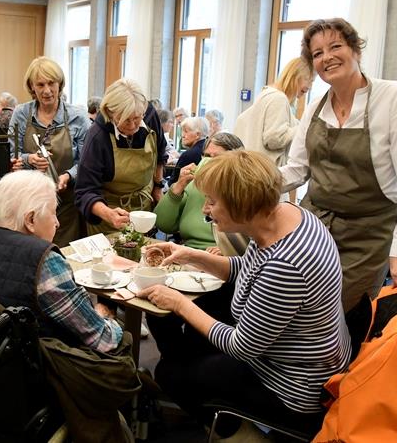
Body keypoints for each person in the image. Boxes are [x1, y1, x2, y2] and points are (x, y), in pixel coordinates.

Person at [140, 150, 351, 438]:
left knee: (171, 372)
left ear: (242, 204)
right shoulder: (289, 217)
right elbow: (249, 268)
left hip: (293, 387)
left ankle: (237, 431)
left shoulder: (285, 265)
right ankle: (194, 381)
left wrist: (178, 304)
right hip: (298, 357)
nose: (206, 210)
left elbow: (242, 347)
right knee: (185, 341)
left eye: (213, 202)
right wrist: (191, 256)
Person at [281, 18, 397, 310]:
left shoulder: (395, 98)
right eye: (318, 53)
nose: (327, 57)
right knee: (297, 308)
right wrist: (246, 184)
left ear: (356, 50)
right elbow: (297, 169)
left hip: (368, 234)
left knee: (343, 313)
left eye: (335, 46)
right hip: (314, 229)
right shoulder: (315, 108)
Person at [0, 170, 123, 351]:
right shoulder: (45, 263)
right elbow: (104, 339)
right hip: (41, 368)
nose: (57, 223)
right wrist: (105, 313)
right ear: (30, 219)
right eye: (54, 213)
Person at [10, 57, 90, 246]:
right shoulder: (21, 114)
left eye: (51, 83)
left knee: (65, 256)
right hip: (29, 205)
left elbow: (86, 163)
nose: (47, 91)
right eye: (40, 84)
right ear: (32, 87)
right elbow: (11, 154)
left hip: (67, 205)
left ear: (60, 84)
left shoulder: (78, 117)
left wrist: (67, 176)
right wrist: (29, 159)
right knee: (32, 256)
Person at [76, 78, 167, 235]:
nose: (132, 126)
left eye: (137, 118)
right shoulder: (97, 136)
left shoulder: (150, 116)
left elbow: (160, 153)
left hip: (144, 208)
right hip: (109, 215)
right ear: (110, 113)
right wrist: (108, 214)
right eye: (125, 120)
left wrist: (158, 187)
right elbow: (84, 191)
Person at [155, 132, 246, 252]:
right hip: (188, 252)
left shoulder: (245, 190)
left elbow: (255, 239)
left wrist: (227, 249)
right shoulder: (194, 185)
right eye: (206, 156)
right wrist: (179, 186)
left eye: (217, 158)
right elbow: (163, 223)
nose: (209, 162)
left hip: (227, 258)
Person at [234, 57, 313, 166]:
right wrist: (303, 128)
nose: (311, 86)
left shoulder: (266, 96)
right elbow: (274, 139)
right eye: (310, 80)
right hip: (266, 171)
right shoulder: (278, 99)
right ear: (296, 76)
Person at [170, 116, 209, 183]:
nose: (182, 135)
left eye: (186, 132)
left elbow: (173, 183)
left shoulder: (189, 155)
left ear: (197, 135)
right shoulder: (208, 147)